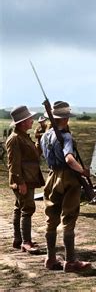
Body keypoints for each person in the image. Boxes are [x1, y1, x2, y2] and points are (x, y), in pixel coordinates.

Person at [40, 101, 92, 272]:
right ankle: (70, 261)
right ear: (66, 118)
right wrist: (83, 172)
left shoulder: (44, 136)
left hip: (51, 176)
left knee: (51, 218)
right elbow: (69, 159)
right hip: (68, 177)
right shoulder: (66, 137)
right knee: (69, 218)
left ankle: (50, 258)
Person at [6, 105, 45, 254]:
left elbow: (34, 154)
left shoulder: (23, 136)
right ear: (22, 122)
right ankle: (26, 242)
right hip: (23, 180)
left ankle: (18, 239)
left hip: (28, 178)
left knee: (19, 207)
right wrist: (20, 182)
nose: (32, 120)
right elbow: (13, 164)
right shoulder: (15, 139)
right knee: (27, 209)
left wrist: (40, 140)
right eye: (29, 119)